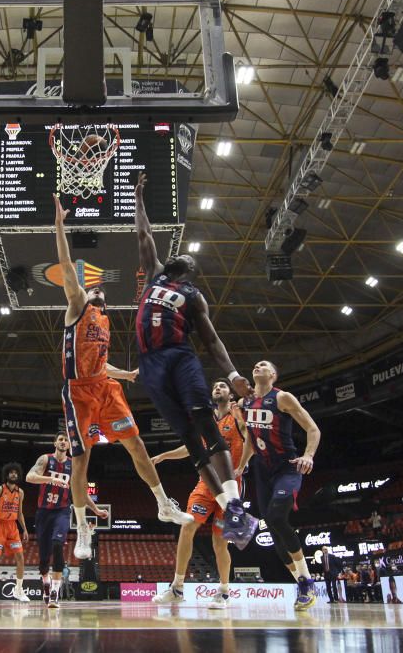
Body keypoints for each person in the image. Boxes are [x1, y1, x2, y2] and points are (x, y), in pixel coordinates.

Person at [53, 194, 191, 560]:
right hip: (78, 393)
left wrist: (124, 373)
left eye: (99, 291)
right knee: (81, 461)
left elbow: (99, 363)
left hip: (105, 387)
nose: (96, 290)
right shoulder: (76, 307)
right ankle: (81, 528)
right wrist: (59, 223)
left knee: (136, 445)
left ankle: (162, 503)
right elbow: (66, 264)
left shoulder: (106, 320)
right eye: (93, 288)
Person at [133, 172, 257, 549]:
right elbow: (144, 235)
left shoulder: (193, 295)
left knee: (204, 419)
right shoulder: (154, 274)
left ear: (188, 270)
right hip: (151, 362)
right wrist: (138, 197)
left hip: (179, 355)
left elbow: (211, 338)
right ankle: (230, 508)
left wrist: (233, 373)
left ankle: (235, 502)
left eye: (188, 256)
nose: (184, 253)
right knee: (188, 436)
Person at [151, 378, 247, 609]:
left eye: (223, 386)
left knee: (219, 543)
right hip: (206, 484)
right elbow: (190, 448)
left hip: (231, 486)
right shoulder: (206, 422)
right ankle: (177, 588)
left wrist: (243, 463)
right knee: (187, 526)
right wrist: (164, 456)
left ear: (231, 395)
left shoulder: (238, 415)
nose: (218, 388)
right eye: (215, 386)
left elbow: (250, 437)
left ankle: (223, 592)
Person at [235, 360, 321, 611]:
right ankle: (303, 585)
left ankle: (306, 582)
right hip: (263, 471)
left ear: (272, 374)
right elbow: (251, 440)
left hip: (287, 466)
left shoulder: (283, 398)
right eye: (255, 364)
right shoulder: (245, 403)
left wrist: (308, 456)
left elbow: (313, 429)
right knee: (272, 531)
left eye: (263, 365)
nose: (257, 366)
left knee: (275, 515)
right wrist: (241, 466)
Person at [26, 432, 107, 608]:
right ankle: (46, 584)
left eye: (66, 440)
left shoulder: (73, 464)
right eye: (60, 439)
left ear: (69, 446)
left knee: (57, 544)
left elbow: (81, 493)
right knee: (43, 558)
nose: (63, 442)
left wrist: (96, 510)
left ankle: (54, 592)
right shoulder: (45, 459)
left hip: (62, 511)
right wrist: (51, 478)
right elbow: (29, 477)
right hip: (43, 512)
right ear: (55, 442)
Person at [0, 462, 30, 604]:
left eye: (16, 472)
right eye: (11, 472)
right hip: (0, 526)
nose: (14, 474)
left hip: (13, 528)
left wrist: (25, 529)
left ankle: (19, 590)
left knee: (20, 558)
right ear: (7, 475)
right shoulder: (0, 490)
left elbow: (20, 513)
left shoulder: (20, 492)